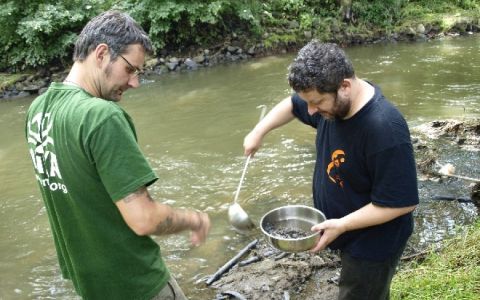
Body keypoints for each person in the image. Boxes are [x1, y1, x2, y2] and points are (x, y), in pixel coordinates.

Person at [25, 10, 210, 300]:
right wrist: (193, 219)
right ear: (101, 53)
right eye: (130, 69)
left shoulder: (38, 111)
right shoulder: (102, 116)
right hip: (136, 283)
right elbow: (144, 219)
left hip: (90, 286)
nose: (134, 82)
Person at [244, 40, 418, 300]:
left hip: (373, 243)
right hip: (347, 231)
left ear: (345, 86)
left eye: (316, 102)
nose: (311, 111)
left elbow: (401, 204)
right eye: (308, 102)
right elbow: (292, 105)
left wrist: (343, 225)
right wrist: (259, 131)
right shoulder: (332, 104)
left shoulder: (384, 129)